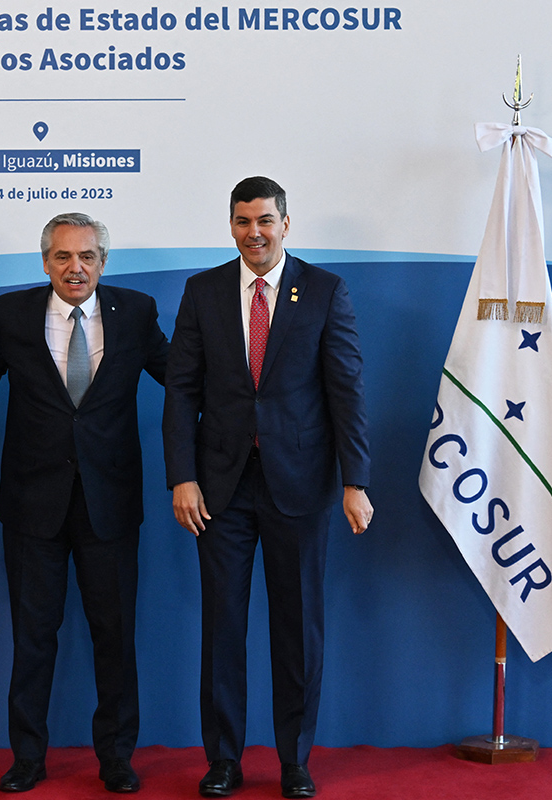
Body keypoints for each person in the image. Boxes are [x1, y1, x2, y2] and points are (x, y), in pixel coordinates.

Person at [162, 177, 373, 799]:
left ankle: (294, 761)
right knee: (222, 627)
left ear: (285, 223)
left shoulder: (325, 291)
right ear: (231, 225)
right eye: (242, 221)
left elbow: (346, 392)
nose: (253, 232)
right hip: (218, 489)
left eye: (264, 220)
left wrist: (356, 481)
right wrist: (182, 476)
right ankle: (223, 760)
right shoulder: (202, 291)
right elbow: (181, 392)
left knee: (298, 628)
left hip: (300, 485)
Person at [0, 213, 169, 794]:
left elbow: (183, 380)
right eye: (62, 256)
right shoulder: (10, 315)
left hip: (109, 504)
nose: (75, 267)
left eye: (87, 256)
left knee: (114, 637)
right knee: (32, 638)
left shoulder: (136, 313)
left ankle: (116, 757)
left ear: (103, 262)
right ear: (45, 262)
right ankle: (27, 759)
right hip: (31, 506)